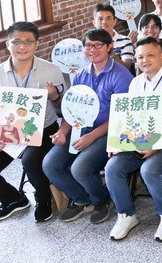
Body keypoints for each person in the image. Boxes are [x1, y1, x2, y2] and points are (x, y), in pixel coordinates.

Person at [0, 22, 65, 223]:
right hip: (7, 132)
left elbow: (63, 106)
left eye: (28, 41)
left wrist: (54, 95)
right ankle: (14, 199)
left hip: (43, 130)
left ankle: (43, 199)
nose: (22, 46)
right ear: (7, 44)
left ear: (37, 44)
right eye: (17, 41)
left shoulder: (51, 70)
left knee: (31, 160)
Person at [43, 28, 133, 223]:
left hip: (110, 131)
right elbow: (72, 109)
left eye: (98, 45)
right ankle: (82, 199)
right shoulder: (81, 75)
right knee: (50, 165)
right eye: (88, 46)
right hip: (80, 128)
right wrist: (62, 132)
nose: (92, 49)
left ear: (109, 47)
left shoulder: (121, 75)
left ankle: (101, 200)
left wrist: (92, 136)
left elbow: (122, 116)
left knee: (80, 168)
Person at [104, 37, 162, 241]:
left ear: (161, 56)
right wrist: (118, 142)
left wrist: (155, 144)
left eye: (150, 55)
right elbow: (130, 117)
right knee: (112, 167)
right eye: (140, 56)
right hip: (140, 141)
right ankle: (126, 214)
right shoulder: (135, 82)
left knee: (149, 169)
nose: (144, 60)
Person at [93, 3, 134, 69]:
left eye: (108, 18)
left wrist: (112, 54)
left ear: (114, 21)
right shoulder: (90, 43)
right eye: (100, 19)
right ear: (94, 22)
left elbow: (126, 67)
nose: (104, 22)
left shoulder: (125, 41)